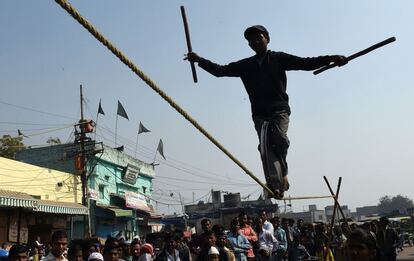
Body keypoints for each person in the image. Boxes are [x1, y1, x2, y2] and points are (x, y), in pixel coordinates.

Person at [185, 25, 346, 198]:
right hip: (260, 113)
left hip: (279, 109)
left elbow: (306, 63)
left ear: (267, 39)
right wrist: (199, 60)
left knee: (279, 138)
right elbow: (220, 71)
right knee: (266, 147)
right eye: (251, 40)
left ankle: (282, 173)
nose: (255, 42)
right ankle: (276, 185)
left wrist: (332, 58)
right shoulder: (246, 65)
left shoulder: (278, 58)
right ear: (249, 45)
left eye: (259, 38)